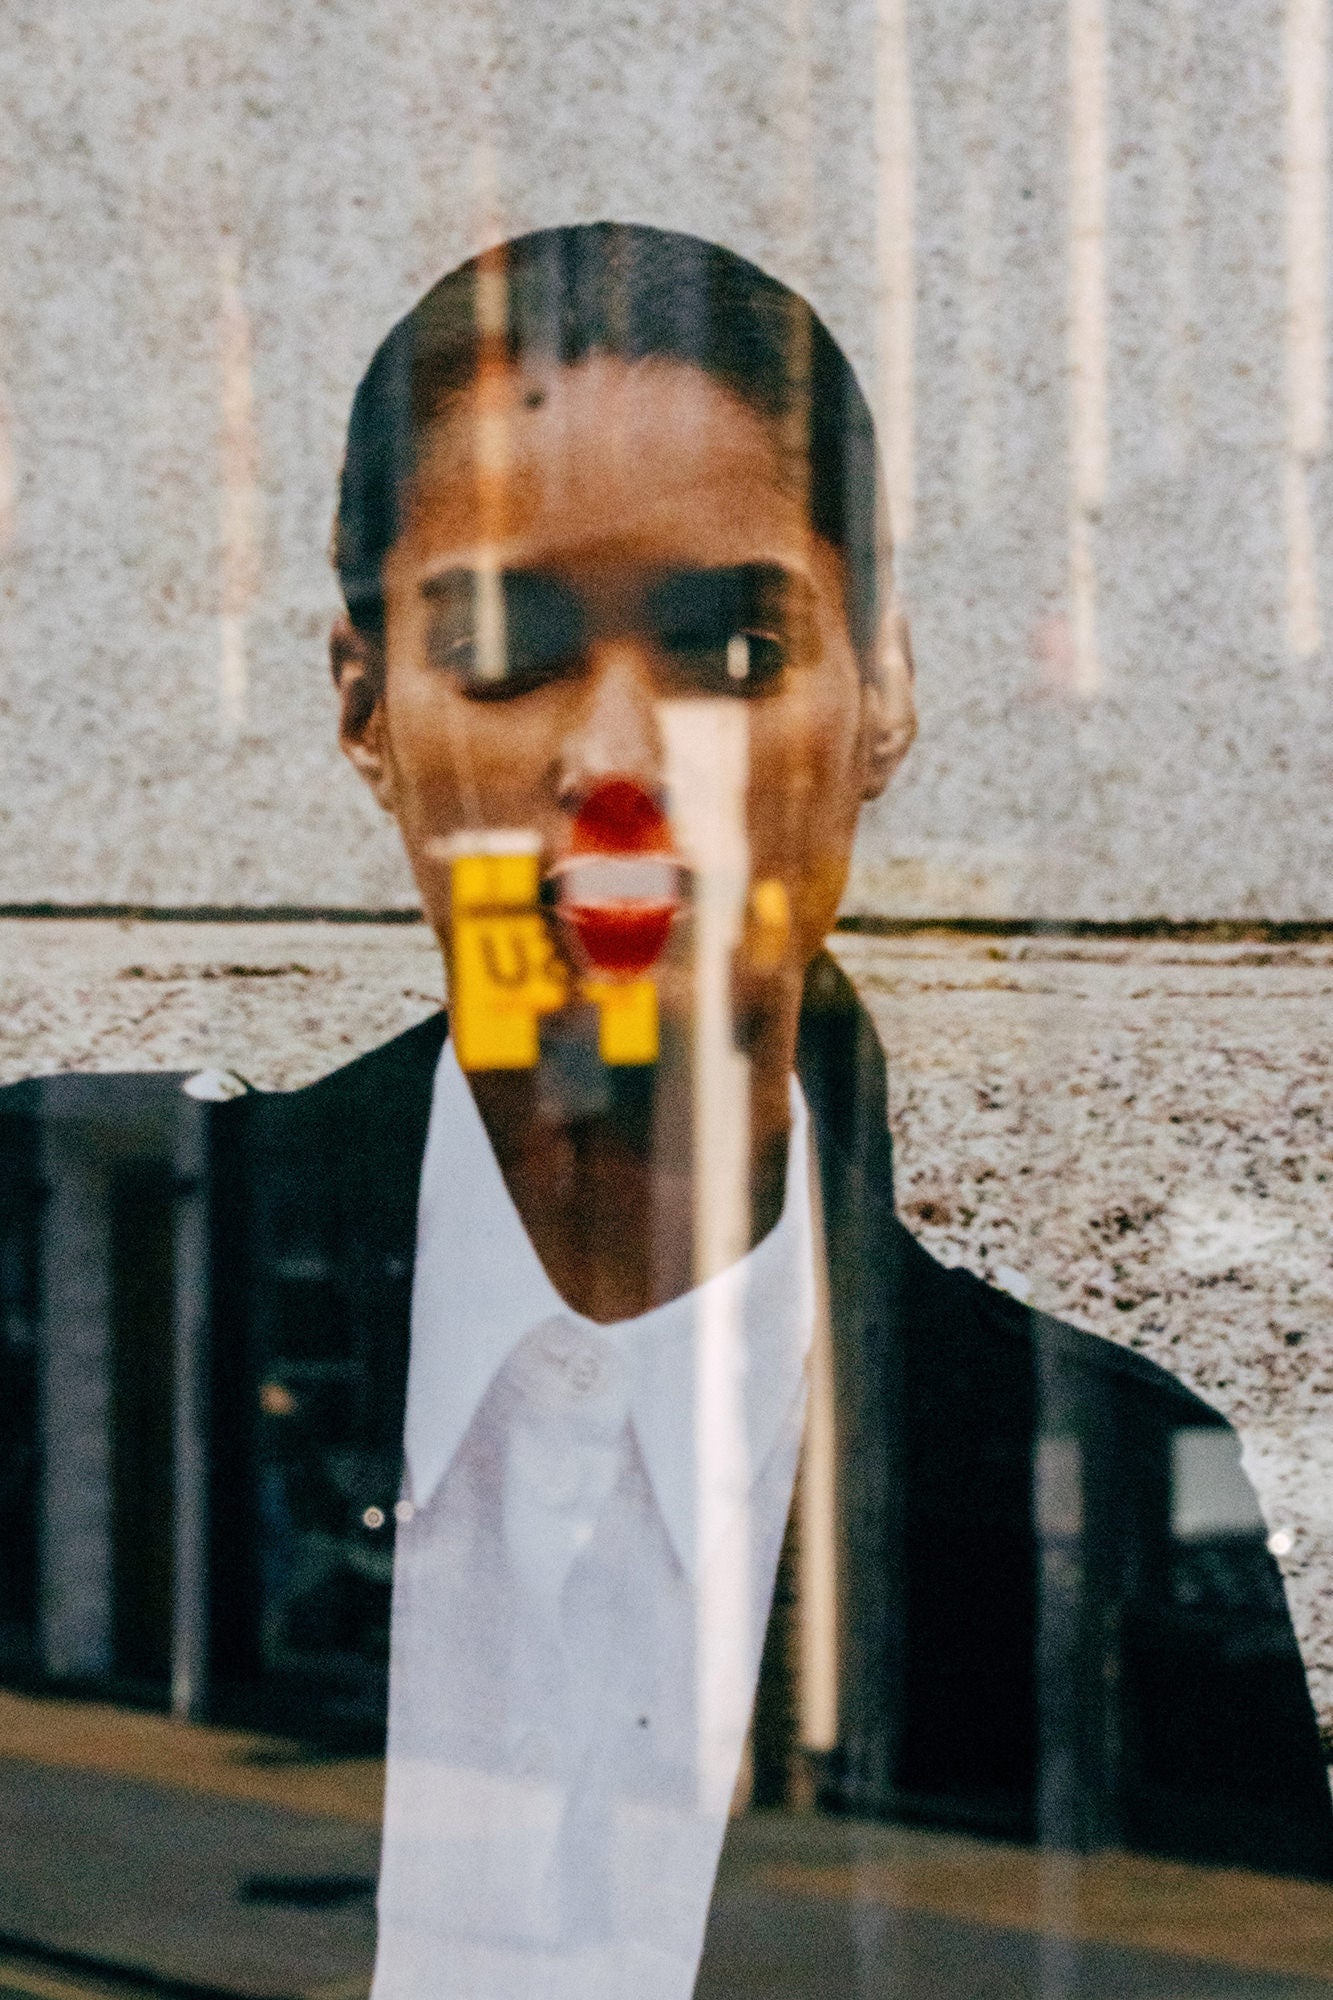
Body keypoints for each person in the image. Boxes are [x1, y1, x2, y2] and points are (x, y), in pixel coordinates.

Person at [215, 222, 1333, 1998]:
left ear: (878, 696)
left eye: (731, 646)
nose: (615, 761)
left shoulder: (1137, 1451)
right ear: (364, 703)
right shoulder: (237, 1297)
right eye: (502, 647)